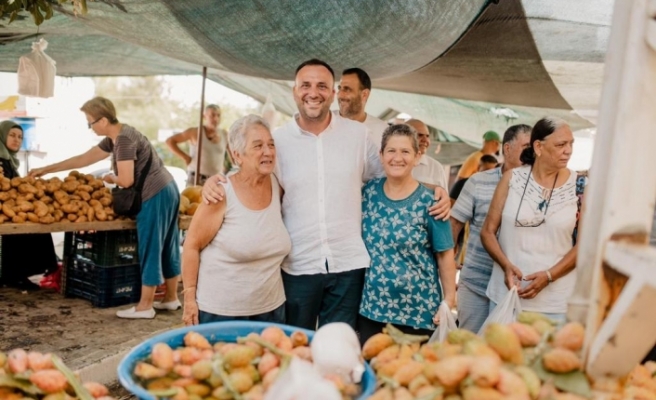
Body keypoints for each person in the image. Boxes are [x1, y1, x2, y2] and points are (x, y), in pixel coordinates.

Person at [202, 59, 451, 331]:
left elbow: (394, 173)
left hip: (348, 265)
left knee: (337, 350)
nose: (313, 92)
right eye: (305, 85)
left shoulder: (358, 135)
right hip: (298, 265)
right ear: (295, 91)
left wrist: (435, 191)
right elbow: (255, 179)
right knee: (297, 347)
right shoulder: (279, 141)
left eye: (322, 86)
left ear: (333, 93)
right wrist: (218, 182)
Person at [29, 97, 181, 319]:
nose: (90, 127)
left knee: (150, 247)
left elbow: (126, 181)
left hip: (154, 194)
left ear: (103, 120)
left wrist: (110, 177)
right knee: (168, 245)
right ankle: (170, 298)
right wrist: (48, 169)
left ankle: (145, 306)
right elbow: (84, 159)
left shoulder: (124, 141)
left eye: (90, 122)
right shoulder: (116, 138)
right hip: (167, 189)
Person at [181, 115, 290, 325]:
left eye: (271, 144)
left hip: (271, 311)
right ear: (237, 155)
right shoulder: (221, 194)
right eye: (258, 146)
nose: (267, 151)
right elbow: (191, 245)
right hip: (221, 312)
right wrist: (189, 299)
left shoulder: (278, 185)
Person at [358, 124, 457, 343]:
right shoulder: (368, 193)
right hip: (372, 310)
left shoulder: (432, 202)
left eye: (405, 152)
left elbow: (445, 254)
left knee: (409, 374)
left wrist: (448, 300)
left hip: (418, 312)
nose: (397, 158)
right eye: (391, 151)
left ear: (417, 157)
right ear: (381, 155)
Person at [481, 118, 583, 323]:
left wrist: (549, 275)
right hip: (507, 296)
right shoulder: (511, 178)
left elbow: (585, 245)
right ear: (538, 146)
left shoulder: (580, 185)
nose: (568, 150)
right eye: (561, 144)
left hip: (556, 304)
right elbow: (487, 232)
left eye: (571, 144)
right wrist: (505, 265)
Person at [450, 124, 531, 332]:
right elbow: (455, 222)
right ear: (506, 149)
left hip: (513, 288)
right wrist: (448, 261)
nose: (531, 153)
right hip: (475, 282)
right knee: (468, 345)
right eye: (526, 147)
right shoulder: (478, 181)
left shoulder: (537, 187)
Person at [0, 121, 58, 289]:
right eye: (11, 135)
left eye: (20, 137)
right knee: (29, 229)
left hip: (10, 208)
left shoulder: (9, 160)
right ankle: (16, 276)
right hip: (5, 210)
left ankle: (16, 275)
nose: (16, 140)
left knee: (37, 225)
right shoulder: (1, 160)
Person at [165, 104, 230, 186]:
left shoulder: (224, 134)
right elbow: (170, 141)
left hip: (215, 181)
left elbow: (233, 154)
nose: (216, 119)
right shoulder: (195, 132)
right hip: (196, 180)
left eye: (218, 115)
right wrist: (186, 157)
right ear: (204, 116)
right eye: (212, 115)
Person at [337, 67, 389, 146]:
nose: (340, 95)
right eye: (339, 88)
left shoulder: (383, 131)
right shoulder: (323, 123)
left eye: (347, 89)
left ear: (364, 94)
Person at [405, 119, 448, 190]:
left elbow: (443, 198)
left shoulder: (436, 168)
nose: (425, 140)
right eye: (419, 135)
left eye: (427, 136)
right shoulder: (388, 162)